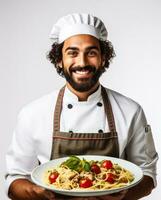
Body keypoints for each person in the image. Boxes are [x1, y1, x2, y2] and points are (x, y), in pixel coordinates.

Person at [5, 13, 158, 200]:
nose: (82, 62)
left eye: (91, 52)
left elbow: (147, 175)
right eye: (72, 53)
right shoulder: (32, 113)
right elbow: (15, 182)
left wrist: (123, 196)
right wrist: (40, 194)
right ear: (59, 60)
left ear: (103, 58)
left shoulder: (130, 111)